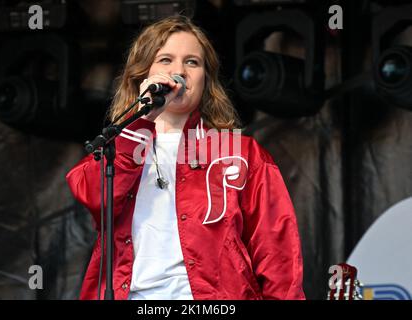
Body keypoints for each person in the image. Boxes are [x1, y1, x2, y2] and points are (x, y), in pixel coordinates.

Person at [66, 15, 305, 300]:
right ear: (143, 74)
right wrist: (139, 122)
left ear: (206, 79)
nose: (178, 70)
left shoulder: (241, 154)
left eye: (192, 62)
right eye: (165, 60)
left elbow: (278, 254)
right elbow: (92, 195)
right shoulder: (117, 147)